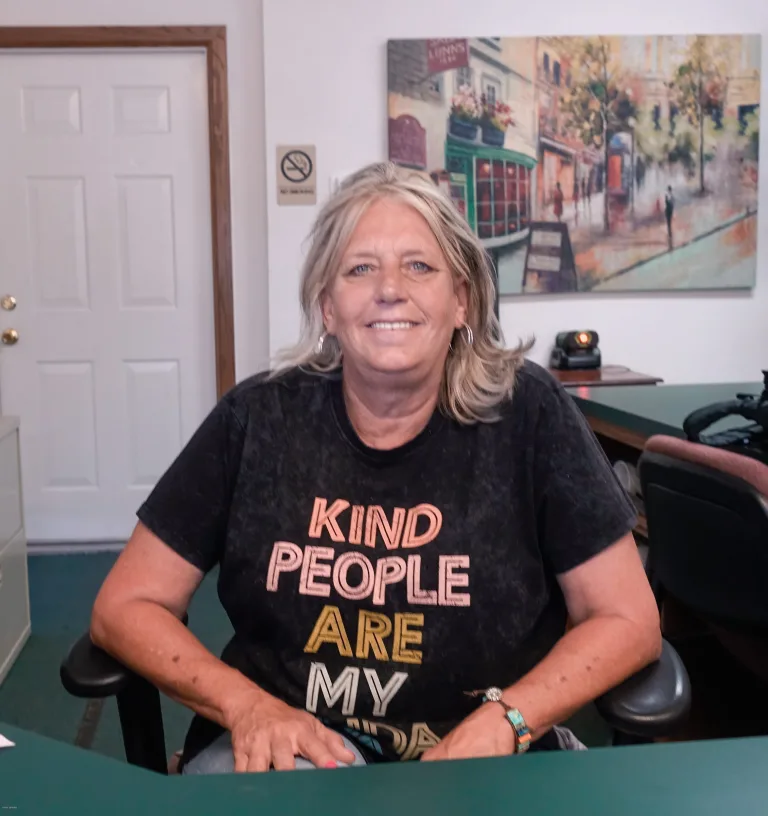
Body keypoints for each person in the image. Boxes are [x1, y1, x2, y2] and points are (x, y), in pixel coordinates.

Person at [89, 162, 661, 775]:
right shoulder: (256, 419)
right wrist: (246, 705)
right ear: (327, 307)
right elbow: (125, 605)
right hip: (294, 749)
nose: (390, 289)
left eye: (419, 266)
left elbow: (627, 618)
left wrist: (506, 722)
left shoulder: (531, 416)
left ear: (462, 300)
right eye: (360, 268)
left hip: (483, 752)